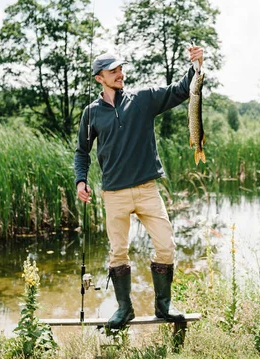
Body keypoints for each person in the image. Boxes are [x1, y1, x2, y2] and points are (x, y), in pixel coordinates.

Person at [74, 46, 204, 329]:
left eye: (121, 69)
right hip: (114, 193)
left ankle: (164, 305)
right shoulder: (91, 113)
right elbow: (81, 152)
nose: (120, 74)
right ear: (99, 78)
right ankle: (124, 309)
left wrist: (195, 65)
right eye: (113, 71)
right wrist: (80, 180)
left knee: (166, 245)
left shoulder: (143, 99)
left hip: (147, 189)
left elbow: (182, 90)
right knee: (118, 253)